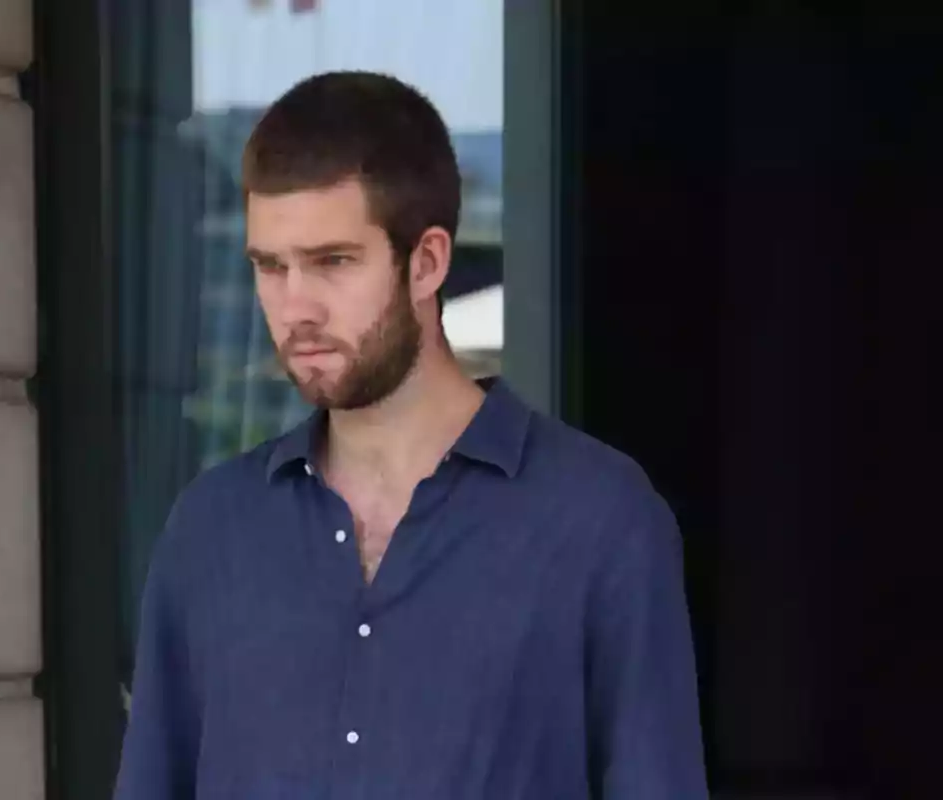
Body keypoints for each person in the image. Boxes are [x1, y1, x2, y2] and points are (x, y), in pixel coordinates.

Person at [114, 70, 707, 800]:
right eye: (271, 267)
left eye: (333, 262)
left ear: (426, 262)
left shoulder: (600, 524)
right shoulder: (209, 533)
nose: (294, 307)